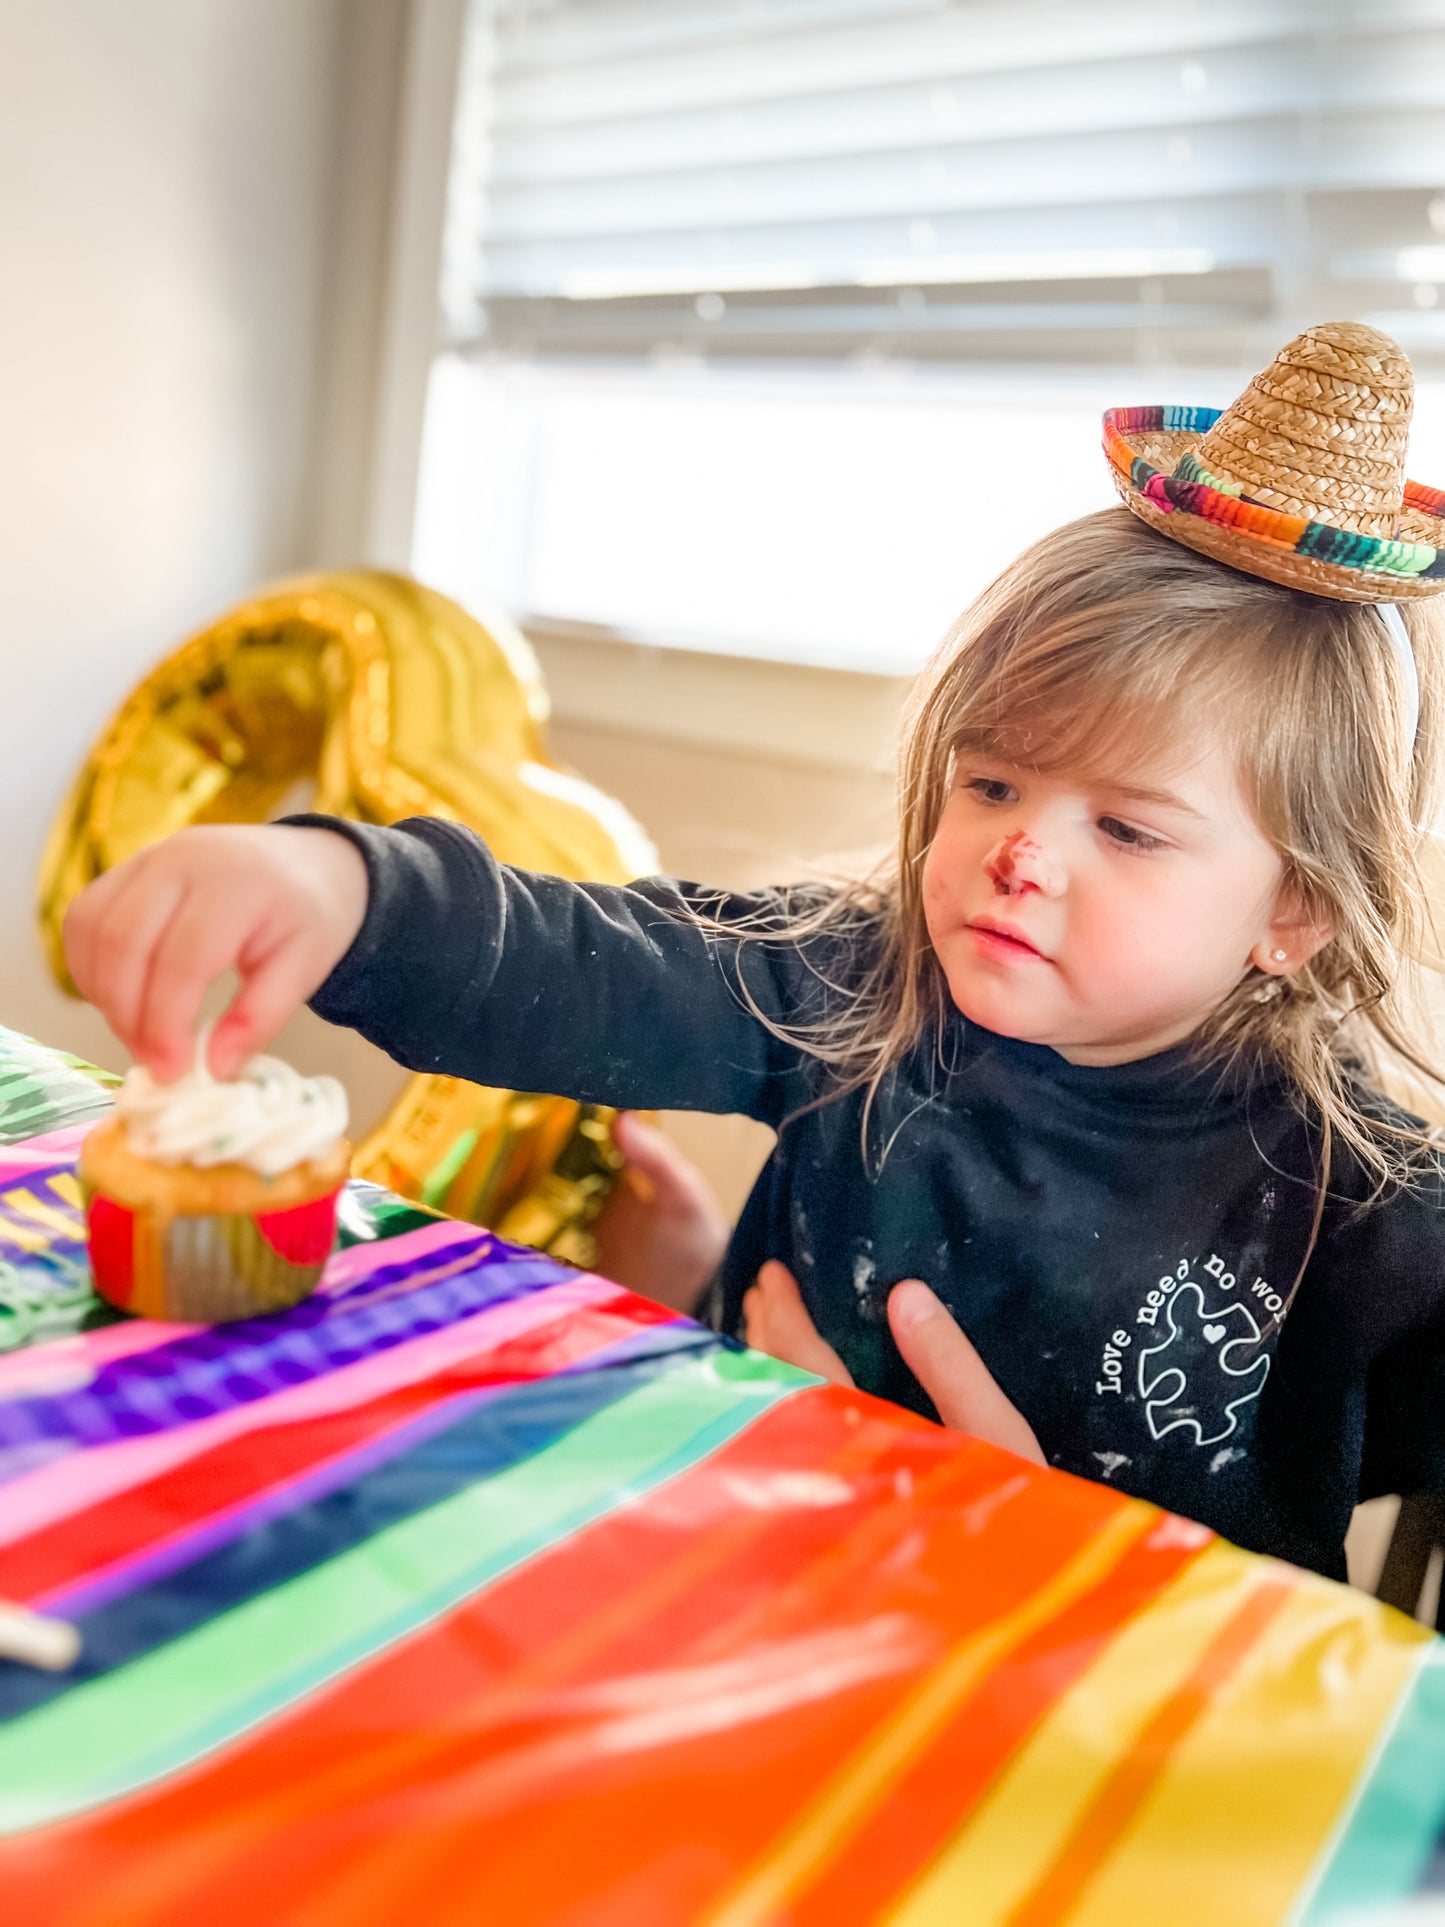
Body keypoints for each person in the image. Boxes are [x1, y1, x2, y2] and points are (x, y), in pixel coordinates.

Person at [64, 322, 1445, 1580]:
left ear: (1293, 912)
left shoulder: (1369, 1211)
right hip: (734, 1594)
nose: (1021, 855)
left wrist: (1035, 1546)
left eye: (1128, 831)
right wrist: (344, 886)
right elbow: (583, 955)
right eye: (992, 786)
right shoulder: (855, 982)